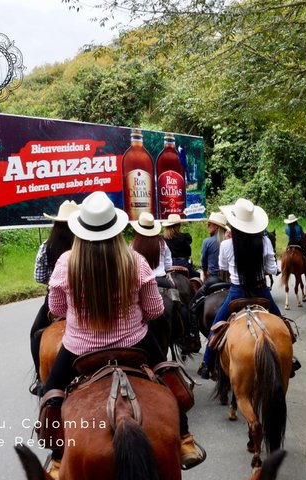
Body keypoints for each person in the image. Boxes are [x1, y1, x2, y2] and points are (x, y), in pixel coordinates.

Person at [41, 191, 204, 478]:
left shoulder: (66, 263)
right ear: (116, 229)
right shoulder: (135, 261)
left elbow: (55, 309)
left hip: (79, 347)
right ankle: (185, 440)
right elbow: (154, 311)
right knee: (169, 378)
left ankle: (56, 458)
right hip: (135, 342)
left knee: (50, 394)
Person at [197, 198, 283, 380]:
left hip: (236, 293)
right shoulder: (265, 242)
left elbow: (223, 268)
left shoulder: (227, 244)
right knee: (282, 323)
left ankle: (206, 363)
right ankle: (289, 360)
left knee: (216, 327)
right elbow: (272, 269)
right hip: (261, 292)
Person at [29, 200, 79, 395]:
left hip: (55, 299)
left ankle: (41, 379)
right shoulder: (84, 243)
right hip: (83, 297)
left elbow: (39, 277)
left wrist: (53, 282)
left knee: (35, 333)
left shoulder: (46, 246)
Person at [188, 212, 230, 339]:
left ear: (217, 227)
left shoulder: (207, 242)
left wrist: (205, 276)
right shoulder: (229, 242)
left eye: (210, 224)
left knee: (192, 306)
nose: (208, 225)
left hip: (214, 280)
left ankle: (194, 335)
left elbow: (203, 264)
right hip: (231, 280)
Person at [129, 212, 173, 289]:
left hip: (141, 281)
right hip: (161, 279)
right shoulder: (162, 243)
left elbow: (130, 265)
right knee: (174, 293)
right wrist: (166, 270)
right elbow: (168, 264)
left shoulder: (133, 245)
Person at [162, 213, 200, 278]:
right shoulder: (184, 237)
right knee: (197, 275)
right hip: (182, 263)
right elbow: (188, 252)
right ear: (179, 225)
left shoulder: (162, 239)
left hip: (167, 264)